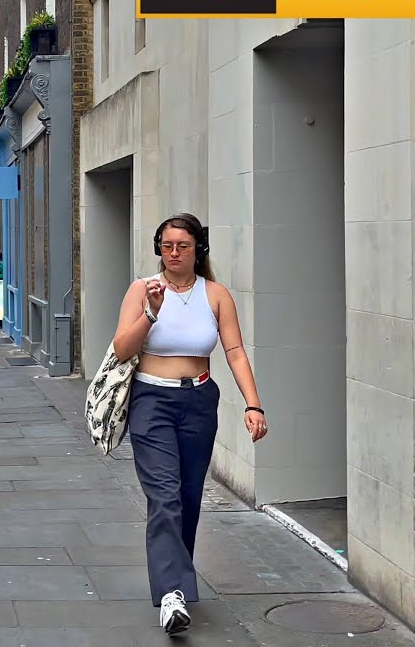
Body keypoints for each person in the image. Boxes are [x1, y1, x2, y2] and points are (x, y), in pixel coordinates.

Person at [111, 213, 268, 636]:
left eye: (182, 246)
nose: (174, 254)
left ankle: (175, 585)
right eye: (166, 246)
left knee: (188, 495)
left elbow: (234, 351)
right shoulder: (142, 290)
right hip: (151, 400)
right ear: (157, 248)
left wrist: (254, 405)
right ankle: (171, 595)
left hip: (198, 400)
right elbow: (123, 348)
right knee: (164, 496)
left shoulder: (215, 294)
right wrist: (151, 312)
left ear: (198, 248)